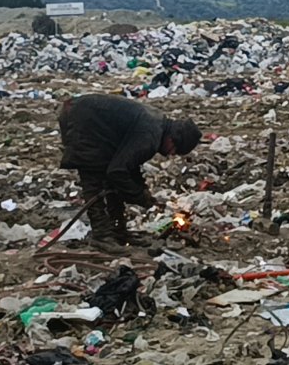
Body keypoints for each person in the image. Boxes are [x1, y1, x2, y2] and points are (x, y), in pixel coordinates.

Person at [58, 94, 201, 250]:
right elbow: (118, 171)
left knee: (111, 180)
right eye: (174, 150)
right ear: (172, 139)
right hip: (83, 118)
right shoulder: (151, 136)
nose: (169, 154)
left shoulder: (157, 126)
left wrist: (142, 190)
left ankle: (118, 231)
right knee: (93, 177)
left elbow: (128, 165)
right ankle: (101, 236)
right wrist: (139, 196)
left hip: (90, 116)